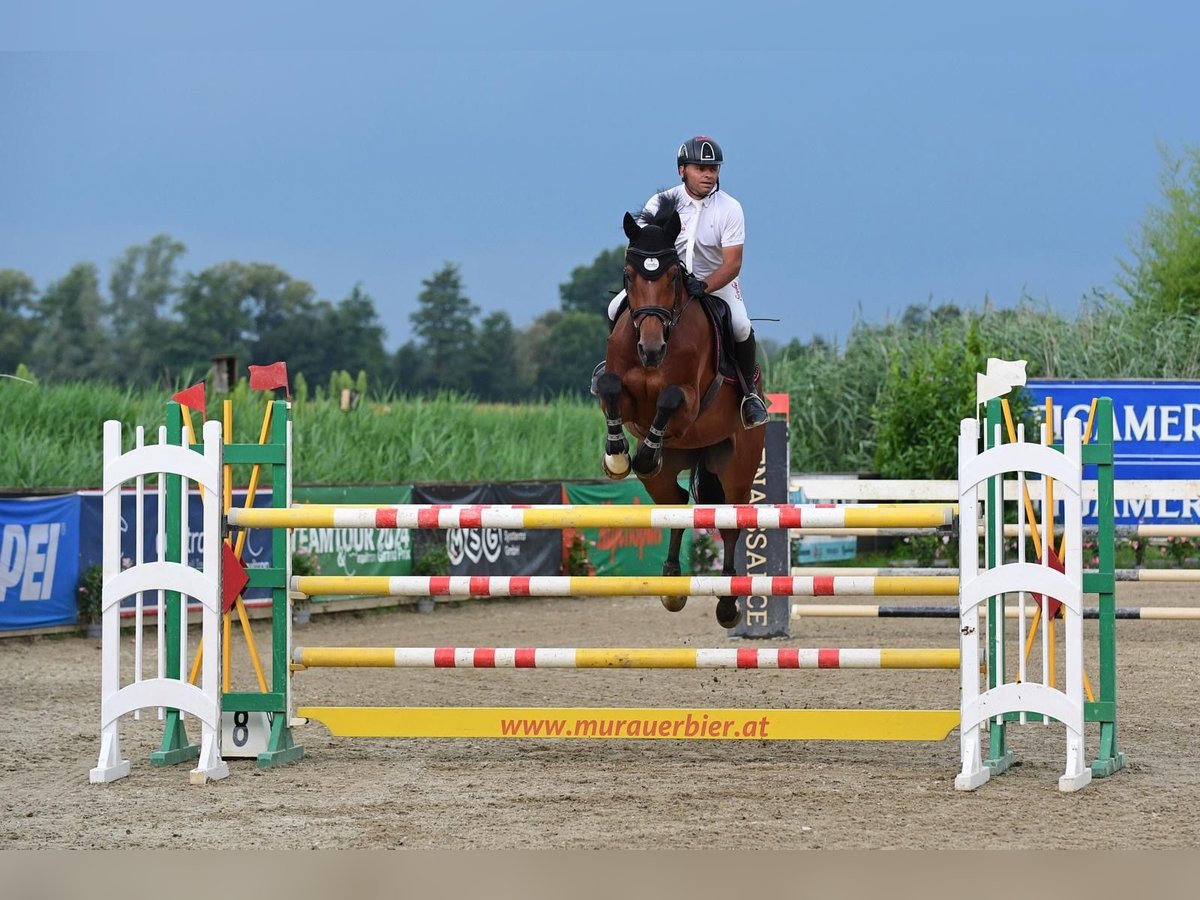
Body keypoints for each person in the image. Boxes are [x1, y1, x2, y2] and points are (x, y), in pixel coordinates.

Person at [592, 135, 768, 428]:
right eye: (700, 168)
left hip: (715, 281)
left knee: (740, 324)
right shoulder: (661, 202)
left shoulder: (730, 208)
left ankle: (748, 394)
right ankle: (609, 367)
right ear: (682, 170)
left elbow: (733, 263)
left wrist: (705, 285)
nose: (709, 175)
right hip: (666, 281)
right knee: (614, 308)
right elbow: (644, 247)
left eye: (713, 169)